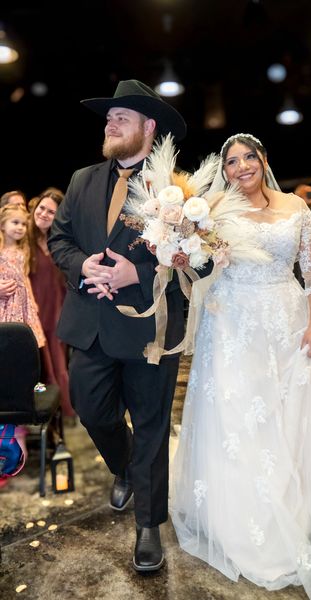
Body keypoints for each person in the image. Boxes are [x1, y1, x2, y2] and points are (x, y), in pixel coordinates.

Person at [170, 133, 311, 600]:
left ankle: (298, 511)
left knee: (292, 415)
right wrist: (185, 257)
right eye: (232, 161)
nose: (241, 167)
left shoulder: (295, 208)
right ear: (224, 170)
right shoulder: (214, 209)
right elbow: (202, 265)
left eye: (248, 158)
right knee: (244, 419)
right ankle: (245, 516)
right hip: (233, 327)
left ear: (263, 160)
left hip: (287, 321)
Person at [48, 79, 187, 572]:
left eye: (120, 118)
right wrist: (83, 266)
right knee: (90, 408)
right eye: (108, 119)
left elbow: (200, 261)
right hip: (91, 325)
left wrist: (141, 272)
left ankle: (148, 526)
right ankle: (125, 465)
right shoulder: (83, 179)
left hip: (150, 329)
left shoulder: (178, 187)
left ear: (148, 127)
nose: (109, 124)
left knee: (150, 426)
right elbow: (59, 240)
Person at [28, 188, 74, 418]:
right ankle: (31, 421)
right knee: (35, 369)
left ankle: (60, 421)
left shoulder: (61, 243)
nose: (44, 214)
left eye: (51, 212)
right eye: (42, 208)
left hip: (57, 313)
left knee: (57, 367)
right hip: (29, 315)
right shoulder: (22, 241)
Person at [0, 204, 45, 347]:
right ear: (2, 225)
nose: (20, 227)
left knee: (20, 342)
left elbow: (24, 278)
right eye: (15, 223)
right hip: (4, 301)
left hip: (21, 302)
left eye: (24, 224)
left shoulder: (23, 251)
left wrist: (32, 300)